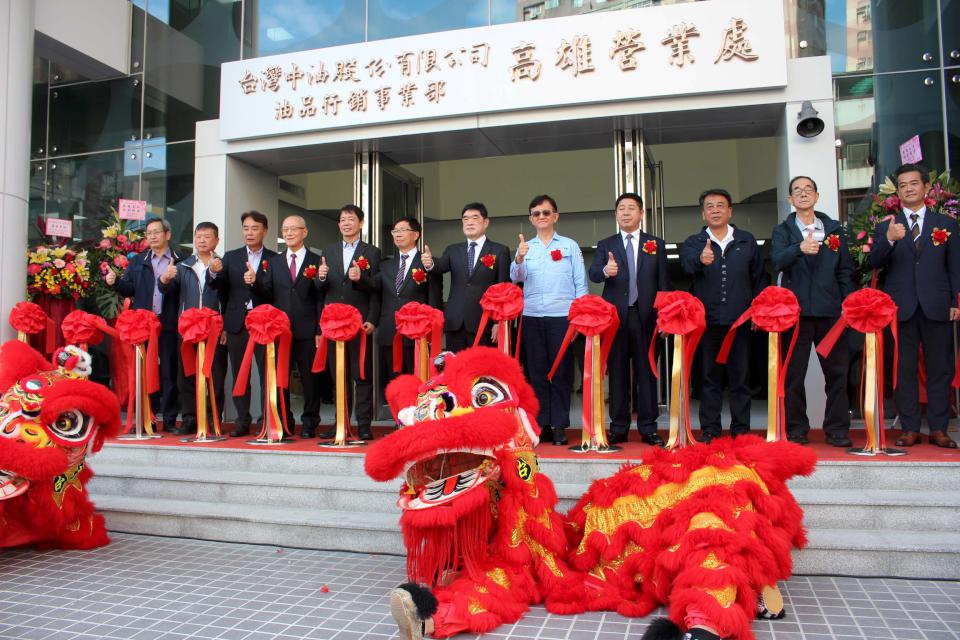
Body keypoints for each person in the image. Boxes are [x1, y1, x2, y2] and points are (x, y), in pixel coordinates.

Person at [869, 163, 960, 449]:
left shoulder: (946, 224)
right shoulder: (887, 226)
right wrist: (889, 240)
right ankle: (909, 428)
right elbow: (873, 263)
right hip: (901, 308)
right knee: (904, 370)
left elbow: (955, 267)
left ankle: (939, 429)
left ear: (926, 187)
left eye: (913, 183)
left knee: (940, 369)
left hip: (938, 305)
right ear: (897, 192)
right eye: (903, 185)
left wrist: (955, 300)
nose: (908, 189)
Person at [771, 177, 855, 447]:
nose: (803, 193)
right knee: (794, 375)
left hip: (830, 313)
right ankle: (796, 429)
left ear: (817, 196)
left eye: (808, 189)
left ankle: (837, 429)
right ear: (790, 199)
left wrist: (847, 304)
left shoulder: (834, 230)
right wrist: (799, 248)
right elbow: (776, 260)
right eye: (797, 190)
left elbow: (845, 270)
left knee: (837, 374)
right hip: (795, 315)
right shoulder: (782, 231)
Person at [680, 189, 765, 443]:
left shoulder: (746, 240)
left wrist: (758, 311)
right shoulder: (694, 242)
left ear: (730, 211)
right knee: (709, 379)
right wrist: (699, 259)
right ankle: (710, 430)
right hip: (707, 324)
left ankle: (741, 430)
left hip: (740, 323)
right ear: (703, 213)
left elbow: (759, 278)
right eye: (710, 206)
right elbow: (685, 267)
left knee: (741, 379)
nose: (715, 210)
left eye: (720, 205)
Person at [589, 193, 669, 446]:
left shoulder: (655, 244)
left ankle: (648, 428)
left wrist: (665, 317)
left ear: (641, 214)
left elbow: (664, 284)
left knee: (647, 374)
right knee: (618, 373)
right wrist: (606, 270)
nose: (626, 213)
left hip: (647, 317)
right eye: (621, 208)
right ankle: (619, 427)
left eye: (631, 208)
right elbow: (594, 274)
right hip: (616, 320)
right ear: (615, 214)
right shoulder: (606, 244)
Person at [510, 194, 587, 446]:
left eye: (546, 212)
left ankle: (560, 424)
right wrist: (519, 258)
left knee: (562, 372)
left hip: (562, 317)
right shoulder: (525, 247)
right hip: (532, 316)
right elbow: (515, 277)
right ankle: (541, 423)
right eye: (536, 213)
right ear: (531, 219)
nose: (541, 217)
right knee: (537, 372)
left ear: (555, 216)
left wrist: (580, 318)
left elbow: (581, 284)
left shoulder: (569, 246)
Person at [105, 217, 182, 433]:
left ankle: (169, 419)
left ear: (167, 234)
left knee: (169, 372)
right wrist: (115, 282)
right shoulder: (138, 261)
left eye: (156, 232)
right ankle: (148, 418)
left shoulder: (180, 260)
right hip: (143, 325)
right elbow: (129, 289)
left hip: (169, 323)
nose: (152, 237)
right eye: (149, 233)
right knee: (145, 373)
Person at [252, 215, 324, 438]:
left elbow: (321, 298)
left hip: (308, 330)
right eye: (285, 229)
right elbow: (267, 294)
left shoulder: (317, 260)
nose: (289, 233)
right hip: (280, 331)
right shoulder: (274, 262)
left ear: (305, 232)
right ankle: (284, 420)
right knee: (280, 378)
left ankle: (310, 422)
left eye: (294, 229)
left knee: (310, 380)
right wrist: (254, 283)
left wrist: (319, 329)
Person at [206, 211, 276, 437]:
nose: (249, 232)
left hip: (264, 324)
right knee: (240, 374)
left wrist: (255, 284)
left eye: (255, 228)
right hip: (237, 324)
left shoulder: (274, 259)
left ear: (264, 230)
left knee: (267, 373)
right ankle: (242, 420)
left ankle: (266, 419)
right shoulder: (231, 257)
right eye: (246, 228)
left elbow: (273, 294)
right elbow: (219, 287)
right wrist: (213, 272)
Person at [316, 205, 381, 441]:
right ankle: (340, 422)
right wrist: (321, 276)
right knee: (338, 374)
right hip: (334, 323)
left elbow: (376, 288)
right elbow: (321, 290)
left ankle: (363, 424)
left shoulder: (371, 252)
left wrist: (372, 318)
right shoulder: (329, 251)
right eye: (342, 219)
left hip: (359, 322)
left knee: (361, 374)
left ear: (361, 223)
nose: (346, 223)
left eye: (351, 219)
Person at [158, 221, 228, 436]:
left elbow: (227, 294)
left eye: (207, 237)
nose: (202, 240)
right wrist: (164, 279)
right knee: (187, 376)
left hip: (214, 329)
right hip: (188, 330)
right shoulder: (183, 265)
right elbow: (167, 289)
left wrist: (225, 327)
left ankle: (213, 419)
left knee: (215, 376)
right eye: (198, 236)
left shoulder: (224, 265)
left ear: (216, 240)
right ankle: (189, 419)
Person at [421, 202, 511, 351]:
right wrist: (429, 263)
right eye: (465, 219)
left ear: (486, 222)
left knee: (481, 364)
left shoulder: (499, 250)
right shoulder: (453, 250)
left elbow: (503, 288)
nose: (469, 222)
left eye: (474, 218)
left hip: (484, 323)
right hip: (455, 322)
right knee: (455, 363)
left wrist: (498, 322)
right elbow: (439, 268)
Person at [376, 216, 441, 379]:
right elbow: (374, 290)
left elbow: (434, 298)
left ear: (416, 234)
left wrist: (434, 331)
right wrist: (358, 278)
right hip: (390, 331)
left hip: (418, 334)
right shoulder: (385, 265)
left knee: (419, 381)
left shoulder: (429, 263)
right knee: (394, 383)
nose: (398, 234)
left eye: (402, 230)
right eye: (395, 231)